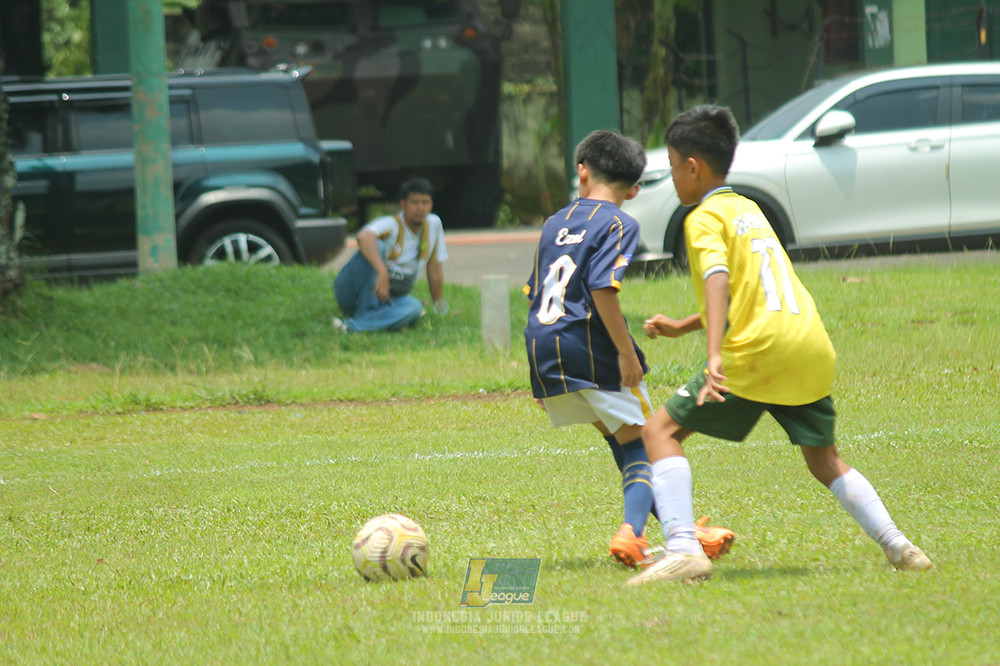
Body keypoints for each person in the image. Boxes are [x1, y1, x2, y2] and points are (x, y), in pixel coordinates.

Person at [628, 104, 932, 585]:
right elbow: (756, 289)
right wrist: (685, 326)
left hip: (756, 351)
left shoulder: (703, 217)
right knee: (824, 459)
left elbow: (718, 279)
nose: (671, 177)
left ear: (693, 167)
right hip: (808, 343)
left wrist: (711, 355)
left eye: (670, 166)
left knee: (658, 433)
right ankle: (901, 547)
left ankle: (685, 550)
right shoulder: (748, 209)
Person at [523, 129, 733, 569]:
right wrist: (625, 353)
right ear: (635, 189)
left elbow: (535, 292)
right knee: (645, 443)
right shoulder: (620, 222)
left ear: (581, 170)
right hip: (588, 345)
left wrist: (541, 378)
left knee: (624, 441)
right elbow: (603, 289)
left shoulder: (554, 222)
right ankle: (633, 534)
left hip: (544, 346)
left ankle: (684, 526)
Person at [333, 178, 448, 333]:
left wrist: (439, 305)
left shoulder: (434, 224)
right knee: (376, 245)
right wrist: (382, 271)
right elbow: (363, 237)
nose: (420, 208)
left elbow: (434, 267)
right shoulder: (392, 224)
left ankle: (354, 326)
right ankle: (369, 313)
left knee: (414, 307)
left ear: (431, 205)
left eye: (425, 202)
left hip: (389, 298)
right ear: (403, 204)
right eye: (415, 202)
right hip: (353, 292)